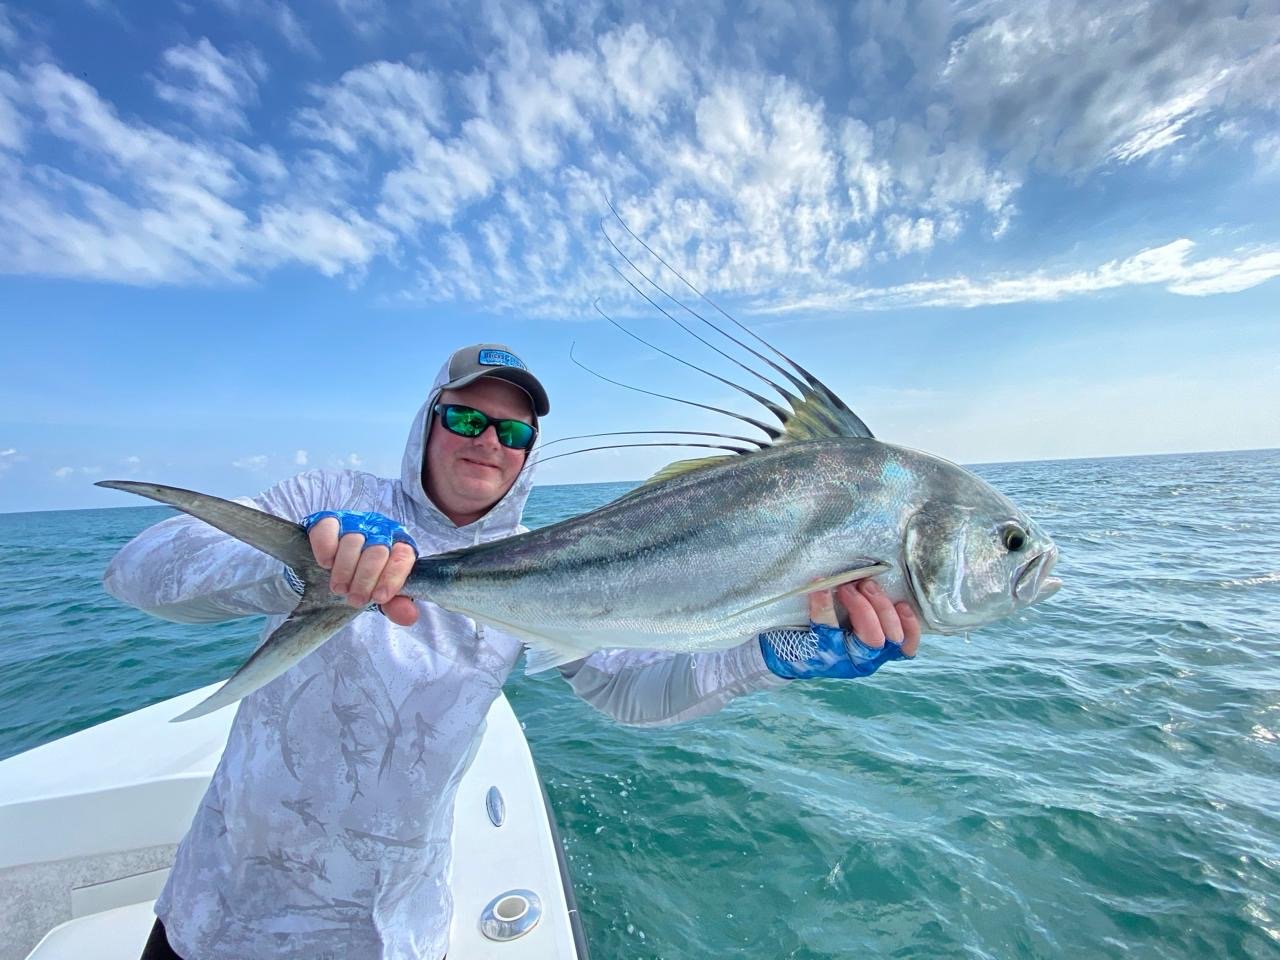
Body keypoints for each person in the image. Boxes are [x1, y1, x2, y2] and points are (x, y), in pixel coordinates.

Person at [105, 343, 920, 960]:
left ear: (529, 450)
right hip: (217, 916)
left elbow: (628, 692)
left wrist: (771, 656)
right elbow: (138, 573)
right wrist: (299, 570)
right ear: (428, 421)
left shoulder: (546, 564)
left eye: (512, 429)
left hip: (388, 935)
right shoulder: (326, 500)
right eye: (465, 418)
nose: (486, 440)